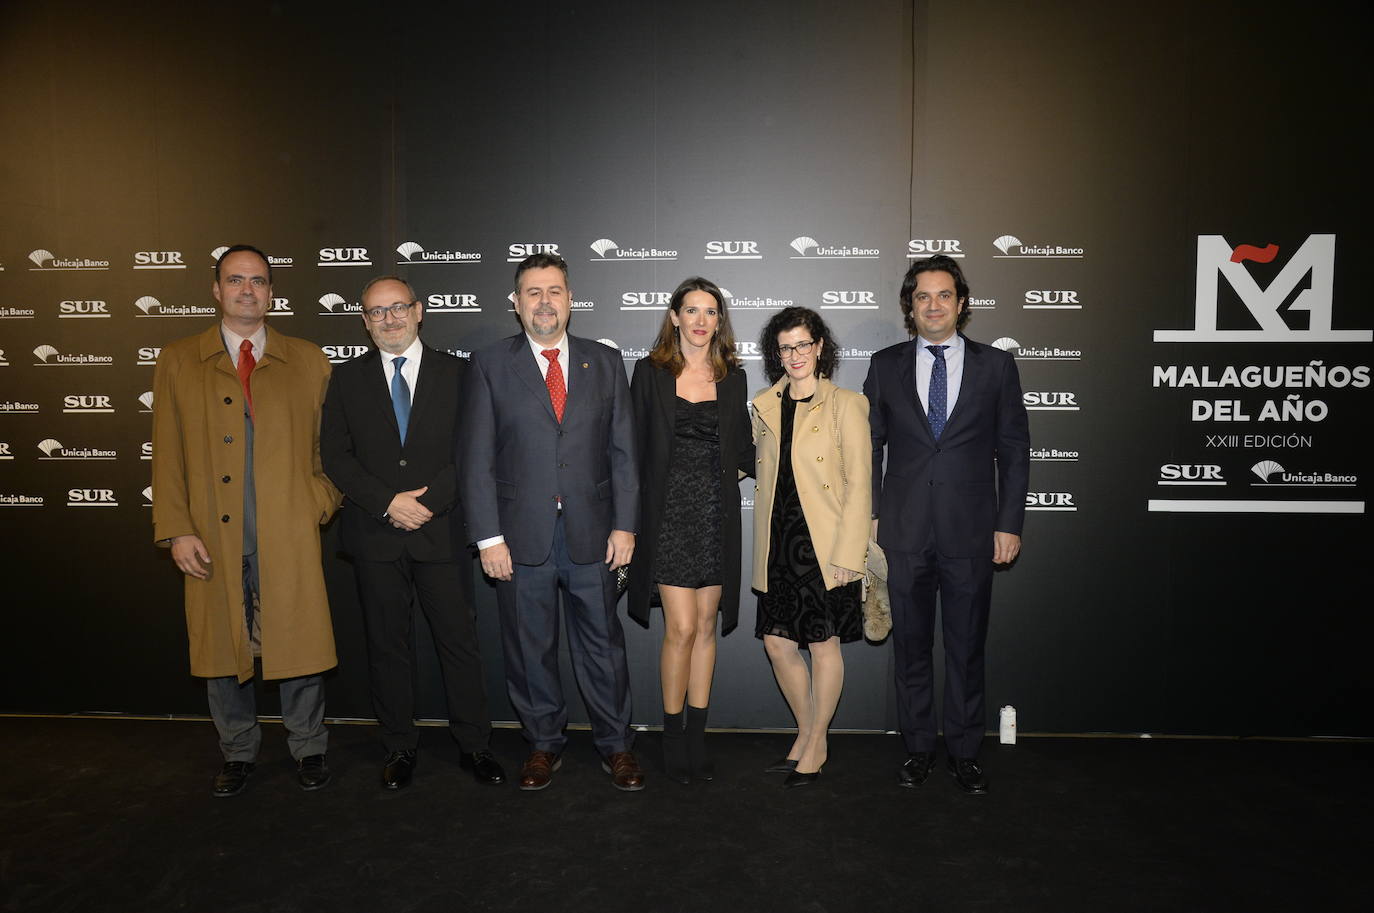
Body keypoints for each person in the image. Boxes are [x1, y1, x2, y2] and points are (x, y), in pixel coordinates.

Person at [151, 244, 340, 797]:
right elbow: (166, 452)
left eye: (258, 281)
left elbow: (334, 450)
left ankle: (308, 747)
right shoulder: (179, 358)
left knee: (298, 642)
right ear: (216, 289)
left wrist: (318, 501)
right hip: (211, 531)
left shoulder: (308, 359)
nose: (247, 290)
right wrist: (177, 527)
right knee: (220, 647)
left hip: (287, 528)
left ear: (272, 293)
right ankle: (237, 751)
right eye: (235, 280)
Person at [461, 252, 644, 791]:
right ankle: (543, 744)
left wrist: (626, 525)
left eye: (555, 291)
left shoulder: (605, 361)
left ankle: (617, 746)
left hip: (594, 533)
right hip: (519, 540)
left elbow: (624, 453)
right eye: (534, 292)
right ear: (516, 304)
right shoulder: (490, 364)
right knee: (528, 645)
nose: (545, 301)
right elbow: (476, 458)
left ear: (570, 299)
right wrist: (489, 538)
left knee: (603, 647)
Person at [320, 276, 504, 790]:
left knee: (459, 644)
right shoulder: (347, 379)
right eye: (377, 313)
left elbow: (474, 448)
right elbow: (336, 455)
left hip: (440, 530)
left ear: (419, 311)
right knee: (387, 646)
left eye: (398, 308)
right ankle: (399, 746)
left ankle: (475, 745)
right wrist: (386, 503)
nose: (389, 320)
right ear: (364, 321)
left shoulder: (460, 374)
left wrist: (426, 503)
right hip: (375, 537)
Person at [862, 254, 1030, 795]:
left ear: (961, 303)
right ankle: (917, 749)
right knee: (910, 646)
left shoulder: (997, 367)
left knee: (965, 646)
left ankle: (964, 750)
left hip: (972, 530)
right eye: (922, 297)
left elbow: (1014, 449)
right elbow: (872, 446)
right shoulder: (885, 364)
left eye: (943, 295)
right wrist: (869, 517)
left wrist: (1008, 523)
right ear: (909, 307)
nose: (933, 305)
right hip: (904, 531)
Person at [627, 277, 754, 784]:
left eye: (710, 312)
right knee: (679, 628)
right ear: (675, 317)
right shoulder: (649, 373)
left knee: (706, 627)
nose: (701, 321)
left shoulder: (734, 378)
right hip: (668, 515)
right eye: (692, 311)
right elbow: (632, 451)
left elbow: (744, 454)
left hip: (715, 515)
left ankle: (698, 733)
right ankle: (672, 734)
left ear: (719, 321)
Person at [751, 307, 871, 789]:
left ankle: (815, 744)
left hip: (824, 544)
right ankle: (809, 731)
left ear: (820, 346)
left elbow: (861, 485)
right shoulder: (764, 404)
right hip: (779, 542)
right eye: (786, 347)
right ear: (775, 353)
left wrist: (849, 554)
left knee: (823, 644)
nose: (795, 355)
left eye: (803, 344)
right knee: (779, 645)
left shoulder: (847, 403)